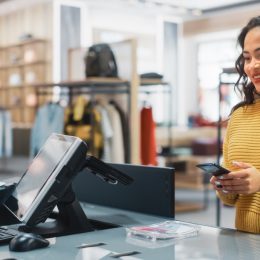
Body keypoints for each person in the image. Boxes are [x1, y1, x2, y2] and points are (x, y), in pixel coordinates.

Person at [210, 16, 260, 234]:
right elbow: (231, 200)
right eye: (247, 58)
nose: (252, 66)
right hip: (245, 244)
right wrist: (225, 185)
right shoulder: (239, 116)